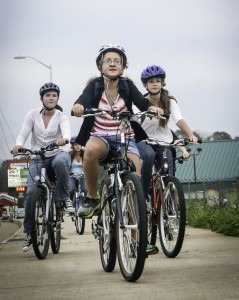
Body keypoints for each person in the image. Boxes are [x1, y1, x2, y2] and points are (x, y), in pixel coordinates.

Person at [71, 44, 161, 255]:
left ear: (123, 67)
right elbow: (83, 99)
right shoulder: (94, 86)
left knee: (134, 188)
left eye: (117, 61)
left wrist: (151, 108)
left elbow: (141, 102)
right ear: (100, 66)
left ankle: (138, 241)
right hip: (101, 137)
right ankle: (93, 198)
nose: (112, 63)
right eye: (108, 60)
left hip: (125, 138)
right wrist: (78, 106)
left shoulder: (128, 86)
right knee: (90, 151)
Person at [11, 82, 72, 252]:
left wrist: (64, 139)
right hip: (38, 157)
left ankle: (62, 199)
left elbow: (66, 131)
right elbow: (23, 132)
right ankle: (29, 233)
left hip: (57, 154)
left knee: (61, 162)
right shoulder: (32, 115)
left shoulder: (62, 116)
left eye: (54, 95)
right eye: (48, 95)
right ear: (42, 98)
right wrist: (18, 145)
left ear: (57, 98)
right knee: (30, 192)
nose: (51, 98)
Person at [137, 65, 197, 200]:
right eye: (151, 82)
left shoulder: (169, 101)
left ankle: (169, 204)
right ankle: (143, 195)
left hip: (164, 141)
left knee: (168, 172)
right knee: (148, 155)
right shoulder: (140, 102)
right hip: (144, 140)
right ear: (145, 85)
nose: (154, 84)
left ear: (163, 83)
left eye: (157, 81)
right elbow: (134, 119)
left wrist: (190, 134)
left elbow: (179, 119)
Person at [68, 136, 88, 209]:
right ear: (73, 145)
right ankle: (69, 204)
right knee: (71, 189)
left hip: (83, 176)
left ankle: (83, 204)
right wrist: (68, 172)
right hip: (72, 176)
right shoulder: (69, 155)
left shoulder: (85, 154)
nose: (77, 146)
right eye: (75, 144)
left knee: (85, 190)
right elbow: (66, 166)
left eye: (79, 144)